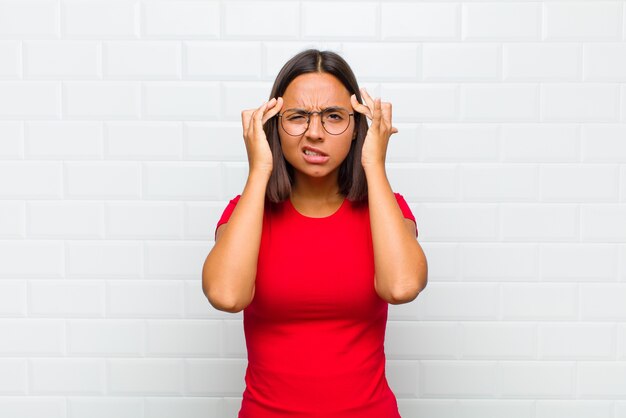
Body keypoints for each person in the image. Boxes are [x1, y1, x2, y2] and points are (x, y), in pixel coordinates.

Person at [202, 49, 428, 418]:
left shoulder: (387, 209)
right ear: (274, 125)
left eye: (334, 117)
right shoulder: (246, 212)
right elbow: (227, 296)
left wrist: (374, 163)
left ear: (357, 127)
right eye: (298, 117)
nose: (315, 134)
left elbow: (401, 286)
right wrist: (259, 168)